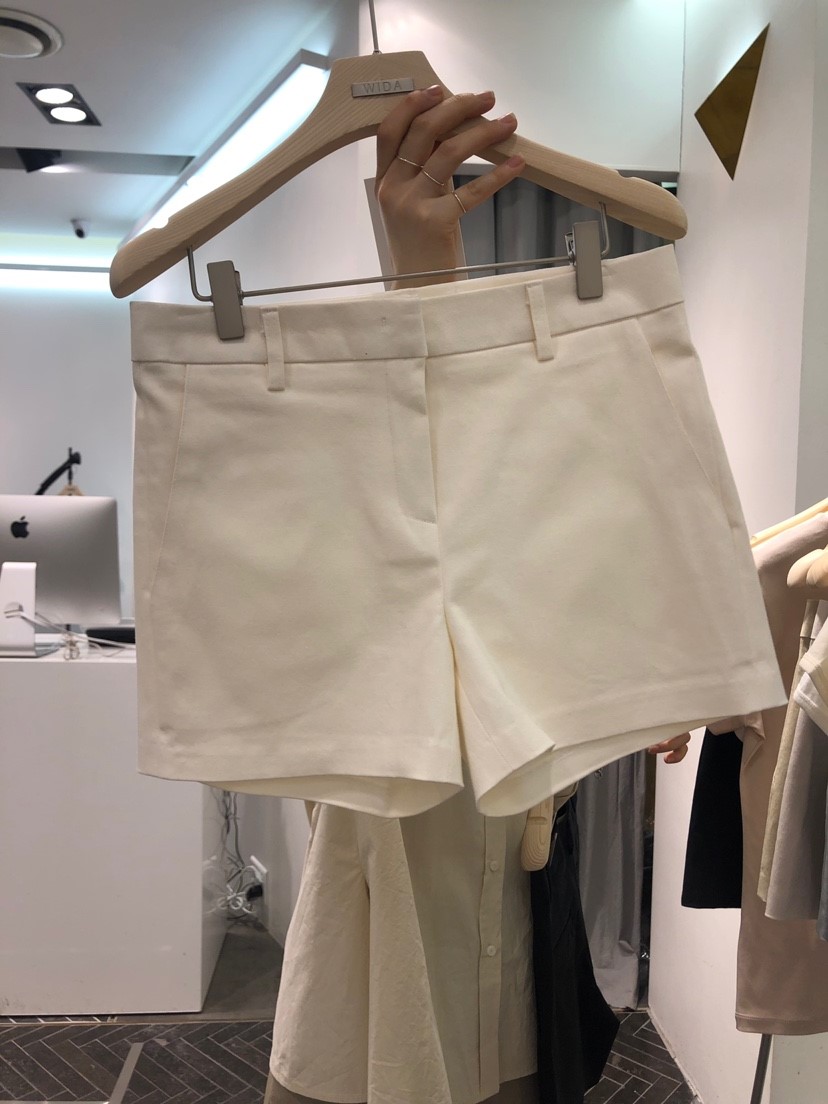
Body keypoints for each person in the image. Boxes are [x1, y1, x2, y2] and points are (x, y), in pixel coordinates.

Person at [262, 86, 692, 1104]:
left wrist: (641, 679)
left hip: (515, 887)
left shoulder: (553, 477)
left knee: (500, 1039)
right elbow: (415, 503)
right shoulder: (358, 479)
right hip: (401, 874)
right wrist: (426, 270)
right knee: (396, 1036)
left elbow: (543, 570)